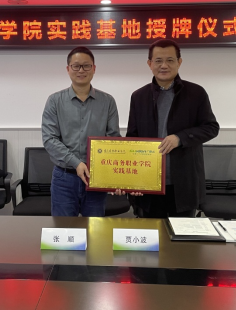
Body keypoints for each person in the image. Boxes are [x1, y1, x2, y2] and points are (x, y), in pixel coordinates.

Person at [126, 39, 219, 218]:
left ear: (179, 62)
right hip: (149, 183)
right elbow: (132, 138)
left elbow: (211, 127)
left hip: (184, 183)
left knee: (183, 234)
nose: (164, 65)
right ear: (150, 64)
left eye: (170, 60)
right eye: (158, 61)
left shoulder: (196, 93)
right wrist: (132, 180)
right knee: (152, 234)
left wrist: (180, 138)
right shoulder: (139, 96)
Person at [42, 46, 120, 217]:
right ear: (68, 69)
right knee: (63, 230)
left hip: (96, 178)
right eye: (76, 66)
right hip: (64, 178)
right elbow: (49, 139)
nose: (81, 70)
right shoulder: (55, 101)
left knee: (95, 229)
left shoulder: (108, 101)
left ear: (94, 68)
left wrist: (116, 176)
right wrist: (76, 163)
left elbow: (113, 140)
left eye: (86, 66)